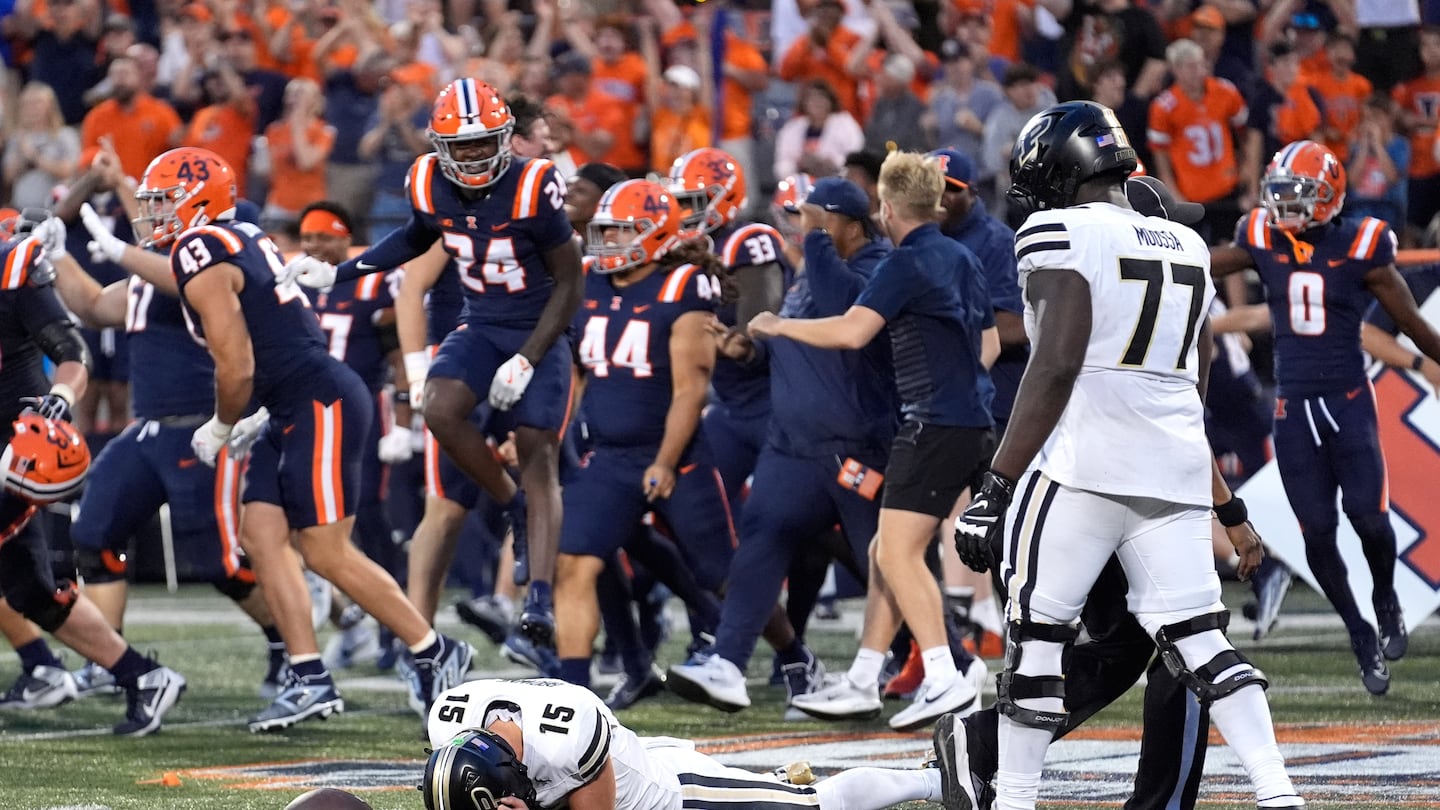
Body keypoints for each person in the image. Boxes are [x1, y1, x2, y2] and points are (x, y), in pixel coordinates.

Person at [949, 100, 1303, 810]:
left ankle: (1014, 800)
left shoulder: (1058, 229)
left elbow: (1054, 363)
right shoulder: (1189, 248)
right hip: (1170, 471)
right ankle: (1279, 793)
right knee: (1203, 643)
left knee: (1037, 644)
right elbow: (1188, 391)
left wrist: (995, 485)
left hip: (1083, 470)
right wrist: (1225, 507)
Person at [124, 146, 472, 731]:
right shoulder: (234, 235)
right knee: (260, 534)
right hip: (291, 400)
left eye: (164, 202)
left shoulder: (200, 247)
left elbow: (235, 366)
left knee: (323, 548)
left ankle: (434, 649)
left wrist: (224, 421)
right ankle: (309, 676)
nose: (155, 214)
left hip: (317, 400)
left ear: (197, 203)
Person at [287, 79, 584, 674]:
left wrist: (527, 357)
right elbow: (415, 238)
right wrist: (341, 273)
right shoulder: (427, 179)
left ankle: (542, 598)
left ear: (503, 140)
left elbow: (570, 281)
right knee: (440, 408)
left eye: (482, 145)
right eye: (460, 146)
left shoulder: (533, 184)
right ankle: (511, 508)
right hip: (481, 323)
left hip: (538, 329)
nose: (472, 157)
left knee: (537, 449)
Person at [748, 151, 995, 732]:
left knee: (898, 553)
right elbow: (986, 337)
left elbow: (852, 331)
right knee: (889, 548)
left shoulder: (905, 262)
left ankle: (943, 676)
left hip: (934, 423)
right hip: (965, 420)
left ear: (885, 207)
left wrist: (779, 325)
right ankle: (863, 678)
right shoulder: (961, 254)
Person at [51, 154, 284, 699]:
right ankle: (114, 658)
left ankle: (287, 644)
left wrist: (124, 250)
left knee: (219, 563)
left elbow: (188, 282)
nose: (149, 214)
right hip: (147, 429)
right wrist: (55, 250)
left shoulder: (213, 264)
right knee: (93, 534)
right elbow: (90, 304)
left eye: (160, 203)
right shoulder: (153, 268)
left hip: (202, 427)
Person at [1211, 139, 1440, 693]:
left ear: (1329, 195)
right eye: (1280, 194)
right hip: (1293, 409)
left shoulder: (1362, 244)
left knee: (1370, 519)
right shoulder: (1261, 236)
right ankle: (1358, 630)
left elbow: (1407, 318)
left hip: (1348, 402)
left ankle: (1384, 596)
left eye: (1298, 194)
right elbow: (1199, 263)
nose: (1285, 206)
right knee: (1316, 533)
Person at [667, 176, 894, 717]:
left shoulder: (877, 267)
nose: (802, 226)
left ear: (853, 225)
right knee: (761, 537)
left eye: (816, 217)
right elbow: (785, 344)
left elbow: (844, 314)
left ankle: (944, 660)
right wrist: (746, 353)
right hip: (793, 442)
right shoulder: (807, 274)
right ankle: (728, 661)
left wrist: (814, 240)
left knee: (886, 559)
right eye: (801, 217)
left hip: (855, 443)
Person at [0, 216, 186, 737]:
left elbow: (71, 351)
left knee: (30, 588)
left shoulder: (11, 271)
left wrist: (60, 400)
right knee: (32, 593)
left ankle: (52, 667)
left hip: (14, 450)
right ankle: (141, 676)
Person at [553, 179, 735, 696]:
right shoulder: (588, 281)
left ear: (654, 233)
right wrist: (561, 434)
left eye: (620, 231)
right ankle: (574, 692)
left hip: (673, 455)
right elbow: (578, 373)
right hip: (609, 456)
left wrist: (665, 460)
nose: (607, 242)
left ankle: (792, 657)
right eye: (604, 231)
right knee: (574, 564)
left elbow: (689, 390)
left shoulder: (684, 286)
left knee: (720, 572)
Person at [421, 677, 948, 810]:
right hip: (632, 764)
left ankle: (938, 778)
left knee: (814, 804)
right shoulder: (453, 725)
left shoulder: (565, 738)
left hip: (672, 795)